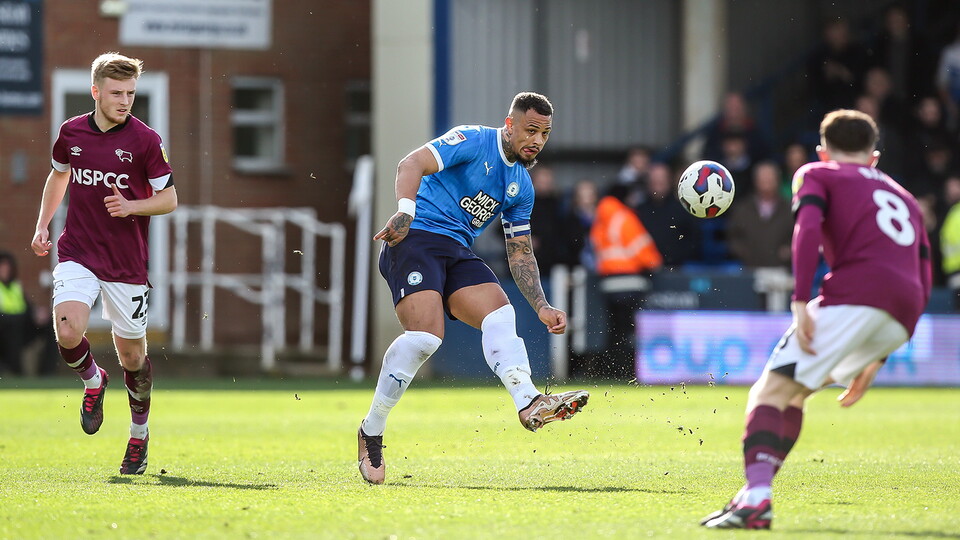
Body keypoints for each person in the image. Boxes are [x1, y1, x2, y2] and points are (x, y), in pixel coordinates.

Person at [702, 109, 931, 529]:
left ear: (823, 152)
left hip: (854, 296)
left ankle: (756, 499)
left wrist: (800, 301)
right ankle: (753, 492)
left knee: (767, 393)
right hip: (904, 311)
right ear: (874, 158)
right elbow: (923, 270)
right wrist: (880, 353)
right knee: (793, 395)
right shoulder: (905, 196)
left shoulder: (816, 174)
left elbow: (806, 231)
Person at [358, 92, 589, 485]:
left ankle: (529, 401)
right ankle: (371, 430)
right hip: (414, 238)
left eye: (545, 134)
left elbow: (519, 254)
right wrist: (405, 211)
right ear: (510, 123)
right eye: (530, 130)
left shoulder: (521, 186)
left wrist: (542, 305)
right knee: (426, 339)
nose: (536, 140)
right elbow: (410, 163)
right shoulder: (472, 140)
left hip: (455, 249)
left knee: (500, 312)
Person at [31, 52, 177, 475]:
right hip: (78, 250)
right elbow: (59, 175)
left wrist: (133, 205)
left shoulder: (146, 140)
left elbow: (169, 198)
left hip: (127, 263)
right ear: (95, 91)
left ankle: (138, 436)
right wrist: (43, 225)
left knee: (133, 357)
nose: (125, 100)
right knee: (68, 329)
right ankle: (94, 380)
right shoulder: (71, 132)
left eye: (131, 93)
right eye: (116, 93)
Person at [590, 184, 662, 378]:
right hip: (630, 281)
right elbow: (642, 249)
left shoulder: (600, 219)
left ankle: (611, 371)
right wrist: (655, 263)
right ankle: (628, 372)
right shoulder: (623, 217)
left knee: (613, 330)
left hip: (608, 283)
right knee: (628, 330)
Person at [726, 161, 794, 269]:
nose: (767, 182)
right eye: (763, 178)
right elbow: (733, 237)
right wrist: (745, 252)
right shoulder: (742, 209)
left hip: (782, 271)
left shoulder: (790, 208)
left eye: (770, 178)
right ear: (755, 181)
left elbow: (796, 235)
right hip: (749, 270)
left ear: (777, 180)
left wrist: (789, 249)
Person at [636, 162, 700, 268]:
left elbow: (693, 240)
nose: (657, 182)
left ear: (669, 180)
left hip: (677, 268)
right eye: (654, 179)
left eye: (661, 179)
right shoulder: (639, 212)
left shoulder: (683, 210)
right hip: (645, 269)